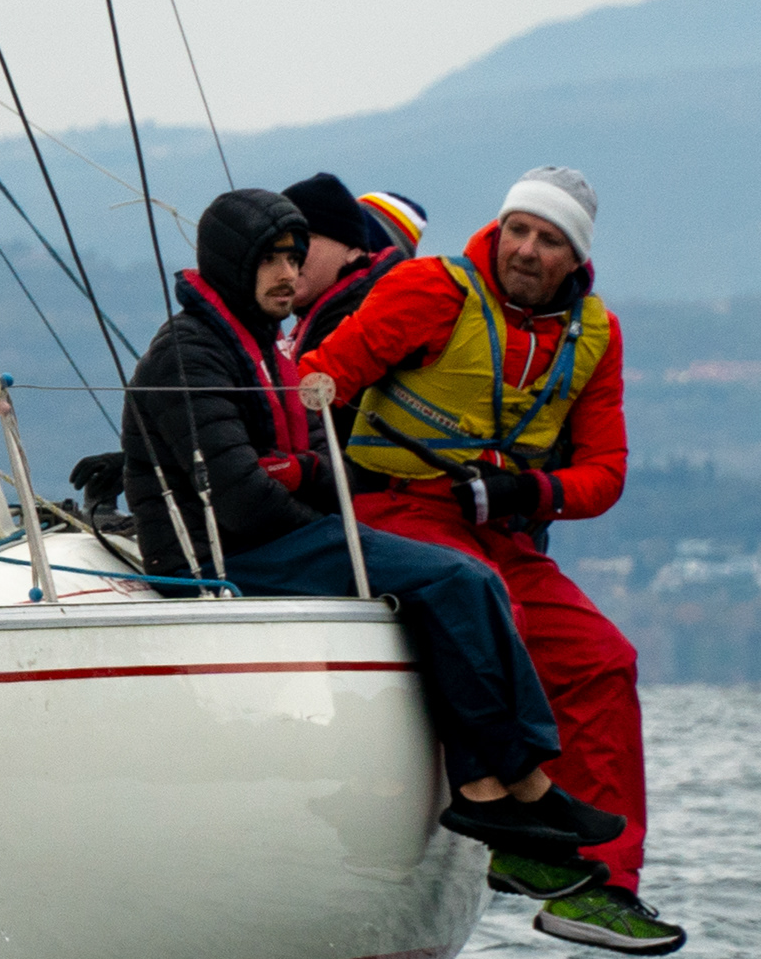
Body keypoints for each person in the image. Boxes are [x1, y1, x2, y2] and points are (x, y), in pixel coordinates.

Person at [113, 186, 625, 870]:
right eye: (271, 259)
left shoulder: (261, 350)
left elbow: (323, 467)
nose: (289, 275)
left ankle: (503, 784)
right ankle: (511, 784)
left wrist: (302, 478)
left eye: (295, 258)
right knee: (460, 579)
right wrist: (317, 503)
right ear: (234, 262)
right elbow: (245, 499)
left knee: (472, 583)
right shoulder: (191, 354)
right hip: (220, 554)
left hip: (265, 537)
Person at [299, 165, 683, 957]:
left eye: (547, 240)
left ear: (573, 259)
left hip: (498, 528)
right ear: (499, 228)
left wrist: (525, 491)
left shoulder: (596, 338)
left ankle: (603, 886)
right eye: (518, 229)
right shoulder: (432, 290)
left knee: (607, 659)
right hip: (394, 507)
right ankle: (511, 825)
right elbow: (320, 379)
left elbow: (605, 476)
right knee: (483, 604)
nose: (526, 249)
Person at [281, 173, 429, 366]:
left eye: (306, 237)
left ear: (355, 250)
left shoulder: (357, 325)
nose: (290, 254)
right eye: (278, 244)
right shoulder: (324, 314)